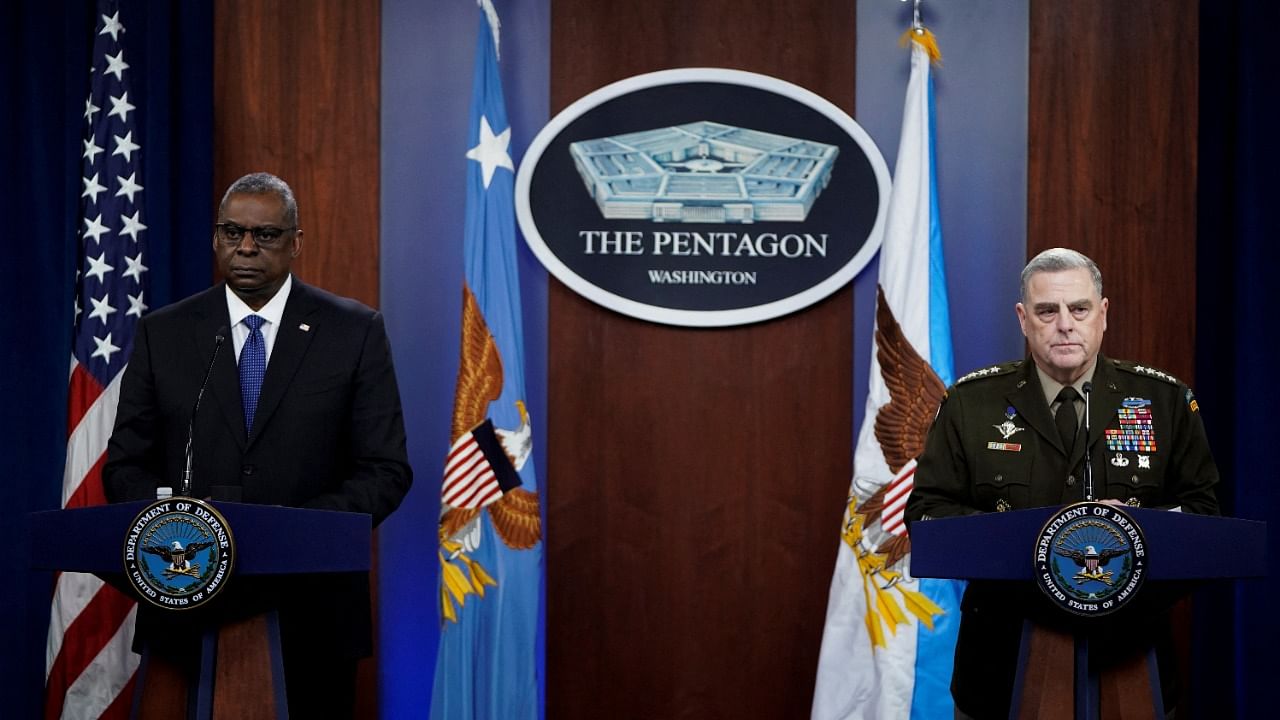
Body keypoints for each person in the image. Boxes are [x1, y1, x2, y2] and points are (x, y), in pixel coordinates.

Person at [104, 172, 412, 717]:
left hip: (312, 611)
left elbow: (385, 469)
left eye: (266, 235)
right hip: (186, 596)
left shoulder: (354, 331)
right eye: (233, 232)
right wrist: (178, 528)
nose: (247, 248)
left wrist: (294, 532)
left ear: (296, 243)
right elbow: (126, 463)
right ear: (215, 238)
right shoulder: (165, 332)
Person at [905, 247, 1219, 719]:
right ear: (1023, 318)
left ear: (1103, 314)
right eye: (1047, 311)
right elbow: (927, 515)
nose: (1065, 324)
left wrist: (1133, 530)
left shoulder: (1164, 401)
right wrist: (1035, 540)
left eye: (1079, 309)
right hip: (1001, 661)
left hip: (1129, 657)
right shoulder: (972, 404)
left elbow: (1204, 517)